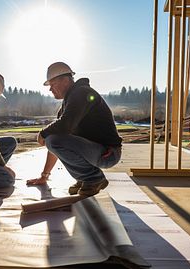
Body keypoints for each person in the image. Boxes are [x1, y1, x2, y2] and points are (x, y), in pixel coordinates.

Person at [26, 62, 122, 196]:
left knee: (52, 138)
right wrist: (45, 176)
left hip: (108, 153)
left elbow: (64, 126)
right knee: (52, 140)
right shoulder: (69, 103)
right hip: (95, 151)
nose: (50, 89)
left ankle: (93, 179)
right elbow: (55, 147)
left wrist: (43, 133)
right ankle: (85, 178)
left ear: (65, 80)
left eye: (53, 84)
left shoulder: (81, 93)